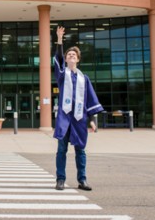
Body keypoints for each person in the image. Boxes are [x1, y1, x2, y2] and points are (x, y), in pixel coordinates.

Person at [53, 26, 104, 191]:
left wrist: (92, 120)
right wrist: (60, 40)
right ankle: (60, 179)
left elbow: (90, 100)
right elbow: (58, 57)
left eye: (74, 55)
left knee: (80, 151)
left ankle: (82, 180)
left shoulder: (84, 79)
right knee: (61, 150)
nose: (71, 56)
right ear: (66, 60)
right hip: (64, 118)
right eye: (69, 55)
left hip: (80, 119)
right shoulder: (62, 75)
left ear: (78, 59)